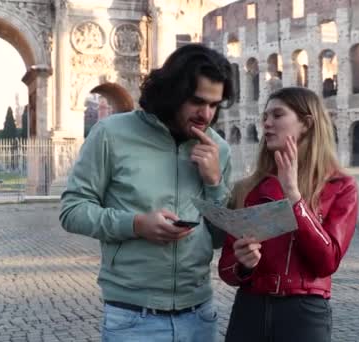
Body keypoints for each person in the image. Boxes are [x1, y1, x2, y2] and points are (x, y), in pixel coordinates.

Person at [59, 44, 235, 342]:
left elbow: (219, 239)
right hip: (133, 318)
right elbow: (72, 211)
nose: (206, 114)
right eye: (197, 101)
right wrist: (136, 224)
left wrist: (215, 183)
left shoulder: (219, 150)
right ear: (172, 92)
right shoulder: (111, 134)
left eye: (214, 105)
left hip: (200, 315)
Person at [218, 87, 359, 342]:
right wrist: (243, 263)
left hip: (303, 314)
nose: (267, 124)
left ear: (306, 123)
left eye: (277, 115)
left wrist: (294, 196)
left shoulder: (340, 186)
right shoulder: (247, 188)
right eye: (265, 116)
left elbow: (327, 262)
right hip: (250, 309)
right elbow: (226, 270)